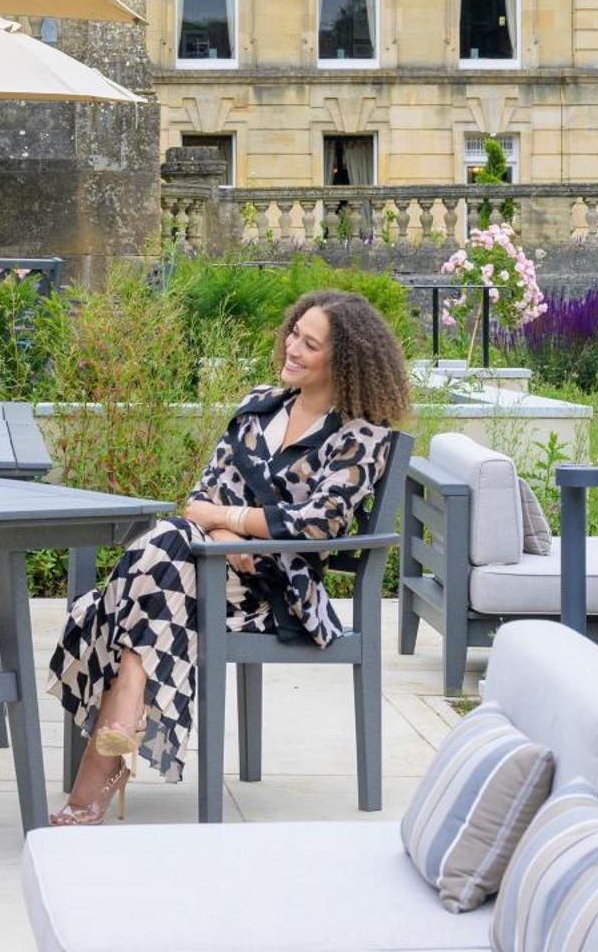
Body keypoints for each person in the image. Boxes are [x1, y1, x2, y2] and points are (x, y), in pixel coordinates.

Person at [47, 290, 410, 824]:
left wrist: (230, 527)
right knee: (173, 549)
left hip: (276, 588)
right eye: (294, 333)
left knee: (154, 561)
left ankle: (114, 738)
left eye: (310, 344)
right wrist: (216, 536)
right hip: (205, 568)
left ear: (344, 361)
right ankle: (123, 715)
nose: (292, 347)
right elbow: (198, 499)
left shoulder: (360, 436)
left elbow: (319, 523)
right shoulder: (259, 407)